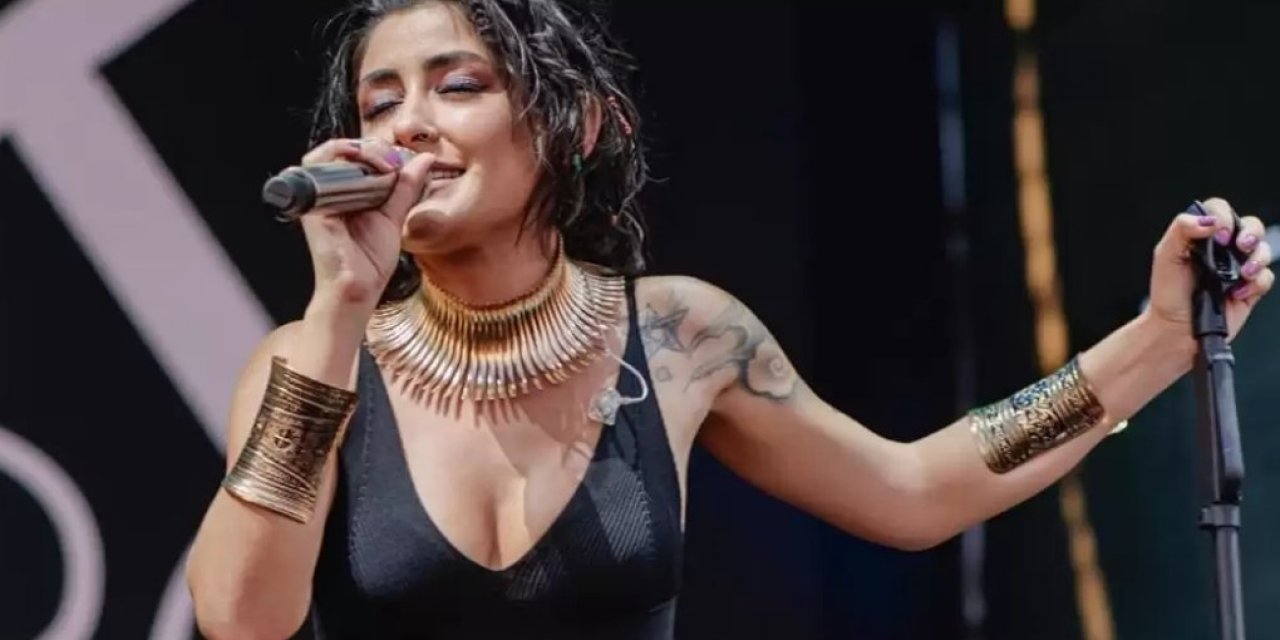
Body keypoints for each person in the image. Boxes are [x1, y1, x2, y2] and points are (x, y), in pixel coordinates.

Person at [184, 0, 1274, 638]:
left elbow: (913, 491)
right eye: (380, 103)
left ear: (575, 125)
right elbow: (240, 619)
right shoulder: (312, 363)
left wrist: (1154, 341)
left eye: (455, 86)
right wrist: (340, 305)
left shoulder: (681, 335)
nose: (408, 126)